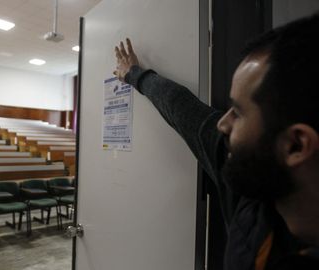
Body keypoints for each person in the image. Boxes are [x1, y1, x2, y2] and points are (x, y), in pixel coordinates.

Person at [113, 13, 319, 270]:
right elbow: (182, 108)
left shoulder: (252, 165)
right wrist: (134, 75)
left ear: (296, 146)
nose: (222, 124)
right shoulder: (253, 185)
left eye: (239, 112)